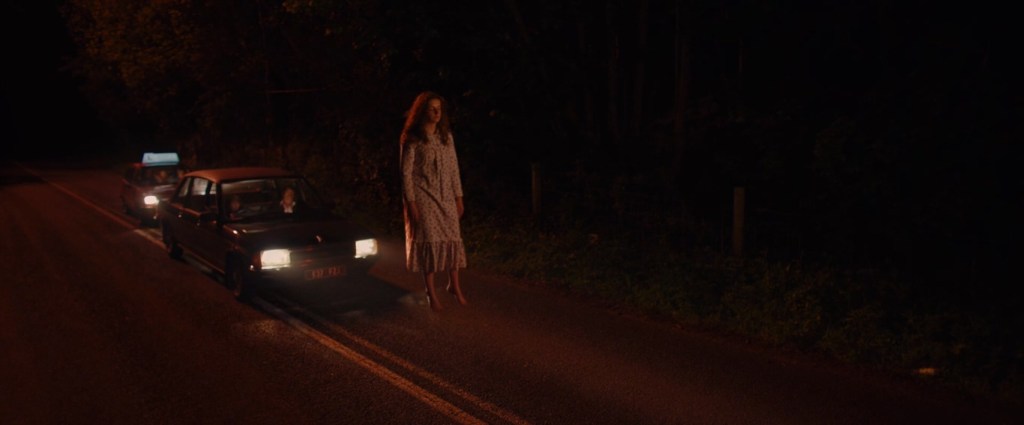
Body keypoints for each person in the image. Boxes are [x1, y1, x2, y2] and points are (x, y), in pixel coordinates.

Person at [400, 91, 468, 311]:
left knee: (451, 237)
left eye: (439, 108)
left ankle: (454, 286)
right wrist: (411, 203)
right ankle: (431, 293)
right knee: (429, 240)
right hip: (423, 194)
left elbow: (454, 169)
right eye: (432, 108)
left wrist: (459, 197)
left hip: (445, 194)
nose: (437, 112)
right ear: (422, 111)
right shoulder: (412, 138)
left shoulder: (445, 136)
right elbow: (406, 173)